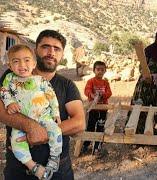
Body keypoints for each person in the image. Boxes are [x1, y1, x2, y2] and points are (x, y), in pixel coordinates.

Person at [0, 29, 85, 180]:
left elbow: (79, 123)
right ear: (35, 51)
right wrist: (30, 126)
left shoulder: (67, 85)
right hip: (19, 171)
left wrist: (43, 133)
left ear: (62, 55)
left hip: (59, 172)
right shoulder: (12, 76)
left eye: (57, 49)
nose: (51, 52)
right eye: (45, 46)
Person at [0, 44, 63, 179]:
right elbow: (4, 91)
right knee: (16, 142)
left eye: (27, 60)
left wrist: (56, 113)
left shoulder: (41, 80)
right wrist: (9, 102)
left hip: (44, 117)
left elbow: (51, 95)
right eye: (16, 61)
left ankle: (54, 158)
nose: (22, 64)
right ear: (10, 66)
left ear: (34, 64)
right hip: (21, 121)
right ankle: (33, 166)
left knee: (56, 132)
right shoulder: (10, 79)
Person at [128, 29, 157, 135]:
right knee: (142, 107)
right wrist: (146, 75)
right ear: (155, 38)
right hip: (146, 83)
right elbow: (142, 66)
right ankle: (137, 132)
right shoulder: (148, 50)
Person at [82, 61, 112, 154]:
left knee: (100, 127)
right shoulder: (91, 81)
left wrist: (102, 95)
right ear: (94, 70)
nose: (100, 71)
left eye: (102, 70)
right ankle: (86, 145)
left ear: (105, 71)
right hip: (93, 109)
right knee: (90, 127)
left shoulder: (105, 82)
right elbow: (87, 90)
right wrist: (92, 95)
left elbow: (109, 93)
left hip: (103, 109)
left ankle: (97, 147)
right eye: (98, 69)